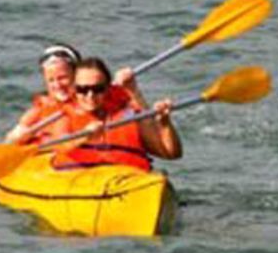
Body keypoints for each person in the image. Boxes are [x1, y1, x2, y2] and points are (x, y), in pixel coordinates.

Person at [51, 57, 181, 171]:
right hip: (80, 186)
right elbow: (58, 145)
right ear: (74, 89)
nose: (90, 96)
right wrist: (83, 137)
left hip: (127, 185)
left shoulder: (128, 115)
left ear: (108, 88)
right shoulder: (63, 115)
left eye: (97, 89)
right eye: (82, 89)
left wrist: (165, 123)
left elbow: (171, 153)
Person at [4, 43, 83, 144]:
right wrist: (19, 136)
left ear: (78, 75)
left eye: (62, 78)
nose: (57, 85)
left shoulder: (91, 101)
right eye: (51, 80)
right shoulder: (39, 110)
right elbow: (11, 139)